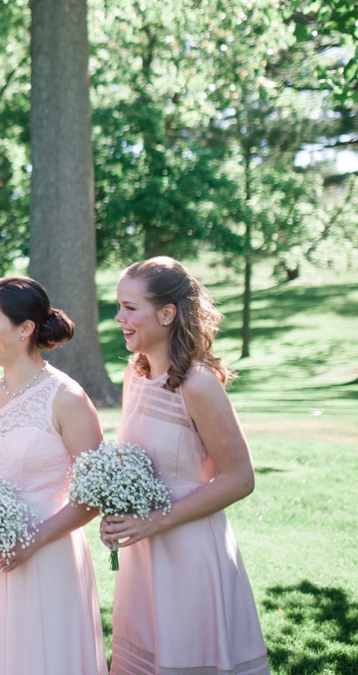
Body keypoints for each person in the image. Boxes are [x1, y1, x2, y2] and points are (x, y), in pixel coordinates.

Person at [103, 257, 268, 675]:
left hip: (190, 551)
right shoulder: (135, 376)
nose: (119, 318)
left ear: (167, 313)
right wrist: (117, 512)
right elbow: (134, 464)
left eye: (129, 307)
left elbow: (239, 478)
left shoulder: (198, 384)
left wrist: (155, 521)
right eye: (118, 306)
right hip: (143, 551)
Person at [0, 276, 105, 675]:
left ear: (25, 329)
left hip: (48, 549)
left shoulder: (68, 398)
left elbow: (93, 496)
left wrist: (27, 544)